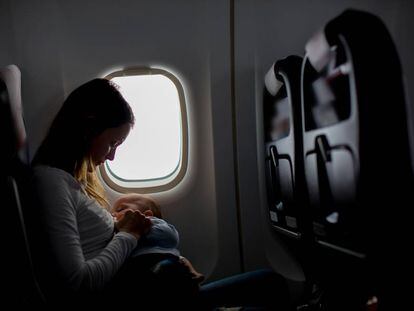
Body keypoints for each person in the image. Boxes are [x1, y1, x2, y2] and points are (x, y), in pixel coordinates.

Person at [31, 78, 291, 310]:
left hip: (147, 289)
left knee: (271, 282)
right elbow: (78, 284)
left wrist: (168, 253)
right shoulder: (52, 182)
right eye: (112, 143)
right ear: (88, 128)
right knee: (270, 287)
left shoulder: (75, 183)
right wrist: (129, 234)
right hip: (131, 298)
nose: (111, 155)